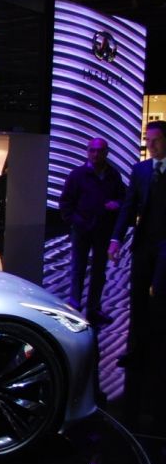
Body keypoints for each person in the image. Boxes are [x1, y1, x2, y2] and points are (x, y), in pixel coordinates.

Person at [110, 120, 166, 424]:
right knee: (137, 298)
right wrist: (116, 239)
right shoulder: (141, 170)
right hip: (144, 242)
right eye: (148, 139)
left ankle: (156, 355)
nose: (150, 145)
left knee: (160, 297)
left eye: (155, 140)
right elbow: (128, 207)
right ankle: (136, 351)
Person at [59, 137, 125, 324]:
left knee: (99, 270)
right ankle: (74, 305)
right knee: (78, 267)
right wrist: (75, 221)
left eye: (100, 151)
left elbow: (123, 198)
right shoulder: (77, 175)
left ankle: (94, 308)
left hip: (103, 230)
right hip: (81, 229)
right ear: (87, 152)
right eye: (92, 150)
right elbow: (65, 202)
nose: (96, 154)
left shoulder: (113, 175)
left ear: (106, 153)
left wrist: (117, 204)